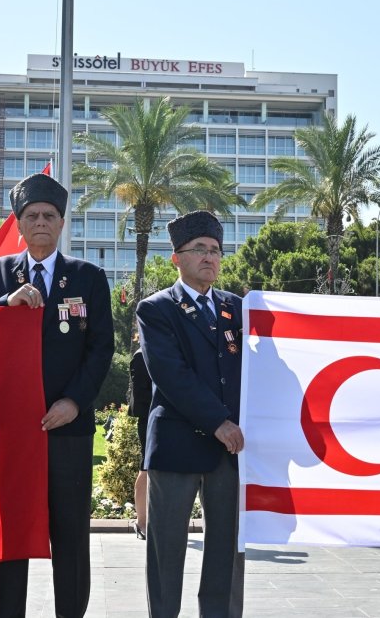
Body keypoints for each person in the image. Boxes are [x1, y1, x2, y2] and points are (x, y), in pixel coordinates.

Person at [0, 172, 114, 618]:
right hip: (13, 431)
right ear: (18, 224)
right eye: (31, 216)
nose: (41, 223)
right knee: (11, 534)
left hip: (68, 430)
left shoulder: (88, 278)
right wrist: (4, 306)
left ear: (61, 223)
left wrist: (73, 402)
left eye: (49, 216)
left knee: (70, 535)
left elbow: (101, 348)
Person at [136, 210, 244, 618]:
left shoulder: (237, 308)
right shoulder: (156, 309)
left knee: (226, 551)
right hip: (179, 446)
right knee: (166, 550)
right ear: (176, 258)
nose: (209, 257)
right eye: (199, 249)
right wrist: (218, 421)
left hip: (228, 452)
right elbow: (170, 374)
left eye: (215, 250)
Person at [128, 332, 153, 540]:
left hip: (167, 421)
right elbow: (139, 399)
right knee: (146, 467)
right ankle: (141, 522)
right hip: (149, 421)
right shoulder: (140, 355)